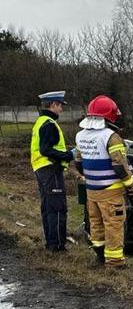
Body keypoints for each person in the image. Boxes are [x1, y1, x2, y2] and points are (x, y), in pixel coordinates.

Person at [74, 95, 133, 268]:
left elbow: (78, 163)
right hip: (111, 190)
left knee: (96, 223)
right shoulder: (111, 137)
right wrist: (132, 185)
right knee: (113, 224)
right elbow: (120, 166)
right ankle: (115, 261)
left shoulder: (80, 135)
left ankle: (100, 256)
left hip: (92, 190)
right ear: (110, 115)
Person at [30, 91, 75, 252]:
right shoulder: (49, 124)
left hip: (42, 169)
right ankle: (57, 245)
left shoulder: (41, 121)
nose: (61, 109)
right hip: (51, 169)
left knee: (48, 207)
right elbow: (46, 149)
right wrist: (69, 155)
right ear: (53, 104)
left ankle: (51, 242)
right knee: (57, 207)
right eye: (60, 105)